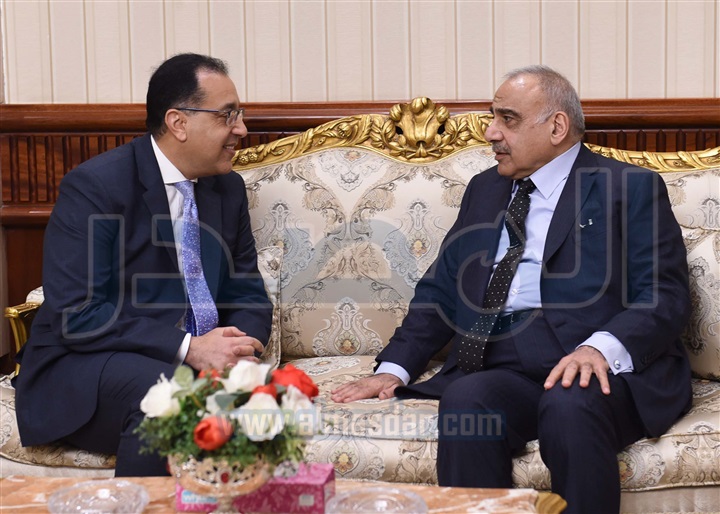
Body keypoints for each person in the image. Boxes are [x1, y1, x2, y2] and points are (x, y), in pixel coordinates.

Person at [331, 65, 691, 513]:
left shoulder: (628, 187)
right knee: (466, 400)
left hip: (593, 365)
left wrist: (599, 349)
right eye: (492, 117)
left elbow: (665, 294)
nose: (491, 132)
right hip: (502, 363)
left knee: (570, 403)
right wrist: (395, 369)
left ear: (557, 127)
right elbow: (443, 289)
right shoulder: (485, 189)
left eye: (508, 119)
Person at [13, 53, 273, 476]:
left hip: (181, 363)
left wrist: (239, 354)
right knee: (166, 396)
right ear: (178, 123)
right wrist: (190, 348)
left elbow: (248, 293)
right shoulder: (97, 187)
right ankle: (135, 504)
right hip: (89, 361)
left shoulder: (227, 189)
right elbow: (77, 312)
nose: (241, 129)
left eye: (239, 115)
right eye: (228, 115)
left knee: (250, 399)